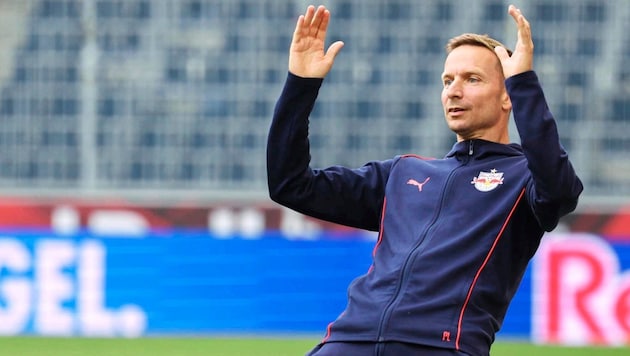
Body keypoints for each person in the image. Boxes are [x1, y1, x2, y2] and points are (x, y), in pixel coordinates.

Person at [266, 4, 583, 356]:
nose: (453, 91)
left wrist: (524, 82)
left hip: (438, 347)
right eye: (448, 81)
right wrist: (301, 84)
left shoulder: (523, 176)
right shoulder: (403, 173)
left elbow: (559, 190)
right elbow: (290, 185)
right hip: (348, 342)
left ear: (508, 95)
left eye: (472, 79)